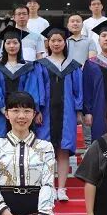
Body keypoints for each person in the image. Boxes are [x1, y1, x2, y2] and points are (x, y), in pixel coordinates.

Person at [36, 26, 83, 202]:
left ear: (65, 43)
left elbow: (78, 91)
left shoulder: (73, 66)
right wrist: (37, 109)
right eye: (53, 40)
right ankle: (48, 188)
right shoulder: (41, 65)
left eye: (59, 40)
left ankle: (61, 188)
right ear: (48, 43)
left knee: (63, 150)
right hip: (46, 114)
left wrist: (78, 111)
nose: (56, 43)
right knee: (47, 151)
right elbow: (38, 89)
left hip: (67, 113)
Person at [0, 25, 45, 138]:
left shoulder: (29, 67)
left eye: (15, 43)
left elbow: (32, 90)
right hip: (2, 114)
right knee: (2, 142)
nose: (12, 46)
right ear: (3, 45)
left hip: (23, 114)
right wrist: (5, 110)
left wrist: (22, 111)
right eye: (8, 43)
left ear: (20, 45)